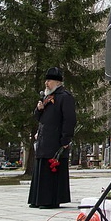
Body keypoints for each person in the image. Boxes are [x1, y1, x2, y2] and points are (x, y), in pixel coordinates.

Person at [28, 67, 76, 209]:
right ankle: (38, 199)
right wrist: (39, 109)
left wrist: (66, 139)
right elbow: (39, 118)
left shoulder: (65, 97)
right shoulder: (47, 97)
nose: (46, 83)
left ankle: (50, 200)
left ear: (57, 82)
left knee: (51, 171)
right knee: (41, 170)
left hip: (56, 141)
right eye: (46, 80)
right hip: (44, 139)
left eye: (49, 80)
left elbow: (70, 119)